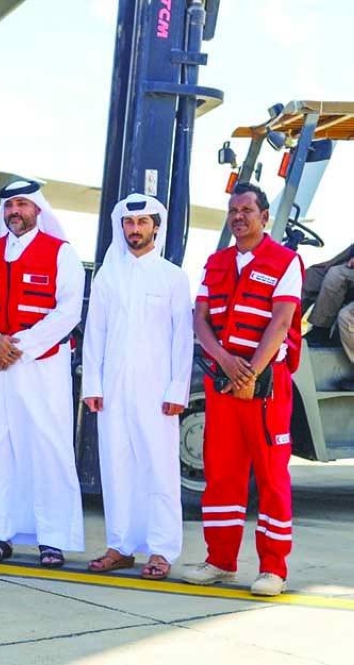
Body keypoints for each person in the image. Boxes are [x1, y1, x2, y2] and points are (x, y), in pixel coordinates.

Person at [0, 179, 85, 568]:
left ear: (38, 210)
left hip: (40, 368)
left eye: (23, 205)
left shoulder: (61, 253)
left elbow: (67, 312)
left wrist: (18, 347)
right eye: (9, 206)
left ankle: (52, 539)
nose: (15, 212)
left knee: (47, 449)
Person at [182, 182, 304, 597]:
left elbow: (282, 322)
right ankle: (220, 561)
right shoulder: (215, 263)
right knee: (221, 472)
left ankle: (273, 568)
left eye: (247, 209)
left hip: (265, 387)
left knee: (271, 476)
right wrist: (225, 361)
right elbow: (200, 320)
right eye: (233, 210)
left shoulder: (286, 260)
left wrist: (250, 371)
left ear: (264, 216)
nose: (238, 216)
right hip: (224, 382)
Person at [81, 194, 193, 580]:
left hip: (157, 391)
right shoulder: (107, 276)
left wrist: (178, 389)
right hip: (112, 391)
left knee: (159, 469)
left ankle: (161, 550)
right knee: (117, 467)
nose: (135, 230)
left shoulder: (173, 277)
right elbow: (95, 334)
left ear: (155, 227)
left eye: (142, 223)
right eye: (129, 224)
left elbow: (183, 339)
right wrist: (92, 383)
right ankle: (121, 546)